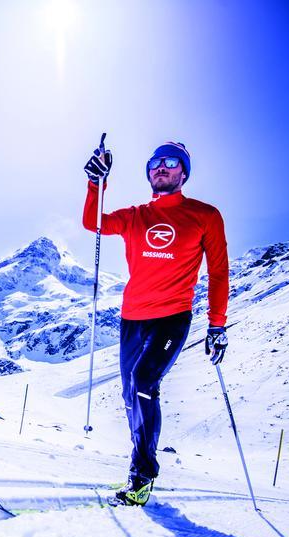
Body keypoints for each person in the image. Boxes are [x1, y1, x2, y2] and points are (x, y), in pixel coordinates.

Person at [82, 138, 230, 506]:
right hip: (132, 318)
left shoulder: (204, 215)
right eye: (154, 163)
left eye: (170, 162)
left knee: (144, 381)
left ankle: (143, 475)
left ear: (184, 172)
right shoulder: (135, 216)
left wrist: (217, 323)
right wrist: (95, 183)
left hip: (172, 316)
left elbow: (219, 272)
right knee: (130, 395)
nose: (161, 167)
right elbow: (93, 223)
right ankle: (138, 465)